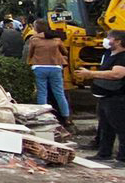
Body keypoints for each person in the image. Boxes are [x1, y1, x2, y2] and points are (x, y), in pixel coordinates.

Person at [77, 30, 125, 164]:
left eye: (109, 38)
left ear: (118, 41)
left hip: (117, 97)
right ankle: (104, 153)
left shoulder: (122, 57)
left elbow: (117, 74)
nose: (106, 40)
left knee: (120, 127)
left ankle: (122, 158)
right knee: (105, 126)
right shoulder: (110, 55)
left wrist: (91, 74)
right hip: (105, 96)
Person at [24, 19, 72, 128]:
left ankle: (43, 115)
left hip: (39, 67)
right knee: (59, 93)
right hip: (55, 67)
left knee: (42, 92)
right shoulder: (56, 39)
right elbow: (65, 52)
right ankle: (66, 116)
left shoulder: (34, 39)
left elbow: (30, 54)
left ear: (36, 28)